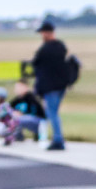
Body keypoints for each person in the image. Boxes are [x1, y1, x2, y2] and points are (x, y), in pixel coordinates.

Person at [31, 21, 70, 150]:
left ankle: (58, 139)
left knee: (52, 113)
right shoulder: (61, 47)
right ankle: (56, 137)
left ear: (47, 33)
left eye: (43, 33)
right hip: (61, 86)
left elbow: (36, 63)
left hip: (50, 87)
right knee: (54, 112)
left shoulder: (46, 49)